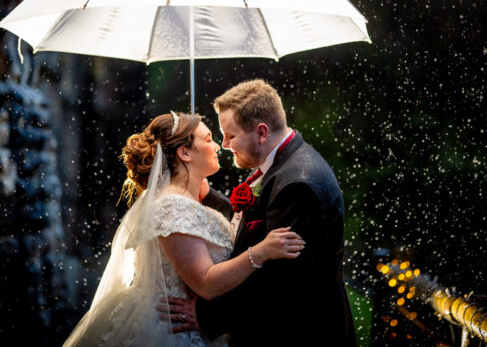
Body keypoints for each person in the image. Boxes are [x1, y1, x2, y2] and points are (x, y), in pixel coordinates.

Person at [63, 111, 305, 347]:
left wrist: (198, 191)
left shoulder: (184, 201)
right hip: (170, 331)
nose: (218, 147)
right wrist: (261, 252)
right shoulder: (173, 207)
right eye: (209, 139)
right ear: (185, 153)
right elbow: (205, 283)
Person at [166, 79, 357, 346]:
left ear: (262, 132)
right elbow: (248, 218)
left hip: (296, 335)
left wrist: (209, 316)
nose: (224, 144)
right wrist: (207, 196)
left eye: (230, 135)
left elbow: (279, 284)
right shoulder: (283, 163)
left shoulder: (296, 184)